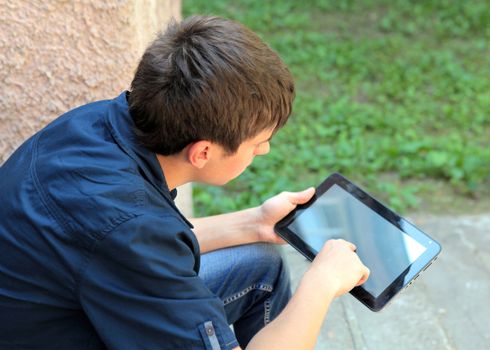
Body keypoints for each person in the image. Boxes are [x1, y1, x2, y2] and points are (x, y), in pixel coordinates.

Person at [0, 16, 369, 350]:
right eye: (257, 143)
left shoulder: (95, 124)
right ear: (203, 152)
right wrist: (320, 284)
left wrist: (255, 222)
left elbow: (140, 247)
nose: (266, 149)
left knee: (260, 265)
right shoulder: (128, 226)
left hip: (77, 307)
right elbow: (133, 241)